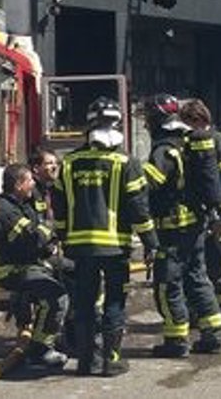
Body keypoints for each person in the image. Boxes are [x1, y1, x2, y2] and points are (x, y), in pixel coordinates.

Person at [53, 97, 158, 376]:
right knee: (114, 301)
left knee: (85, 303)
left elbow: (59, 208)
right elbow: (139, 209)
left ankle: (88, 361)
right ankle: (110, 360)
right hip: (115, 249)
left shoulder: (69, 163)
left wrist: (63, 237)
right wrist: (151, 243)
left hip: (79, 249)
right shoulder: (126, 163)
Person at [142, 94, 221, 357]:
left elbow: (150, 183)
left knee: (168, 283)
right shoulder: (190, 140)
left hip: (172, 228)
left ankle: (176, 340)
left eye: (147, 119)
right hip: (196, 225)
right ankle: (213, 334)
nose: (145, 124)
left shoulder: (165, 148)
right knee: (198, 278)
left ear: (156, 119)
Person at [0, 163, 69, 369]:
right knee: (55, 296)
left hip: (29, 262)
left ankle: (71, 334)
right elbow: (30, 238)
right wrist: (48, 232)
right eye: (30, 180)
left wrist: (48, 239)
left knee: (77, 269)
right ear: (18, 184)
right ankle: (40, 349)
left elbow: (39, 235)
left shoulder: (23, 204)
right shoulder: (2, 208)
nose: (34, 184)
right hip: (8, 268)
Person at [180, 99, 221, 322]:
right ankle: (204, 307)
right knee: (201, 261)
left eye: (188, 122)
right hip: (201, 210)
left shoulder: (218, 142)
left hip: (218, 211)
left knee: (216, 259)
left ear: (197, 120)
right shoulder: (193, 140)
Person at [29, 145, 62, 221]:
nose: (55, 167)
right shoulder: (30, 192)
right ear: (36, 168)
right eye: (49, 163)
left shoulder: (57, 190)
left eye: (57, 163)